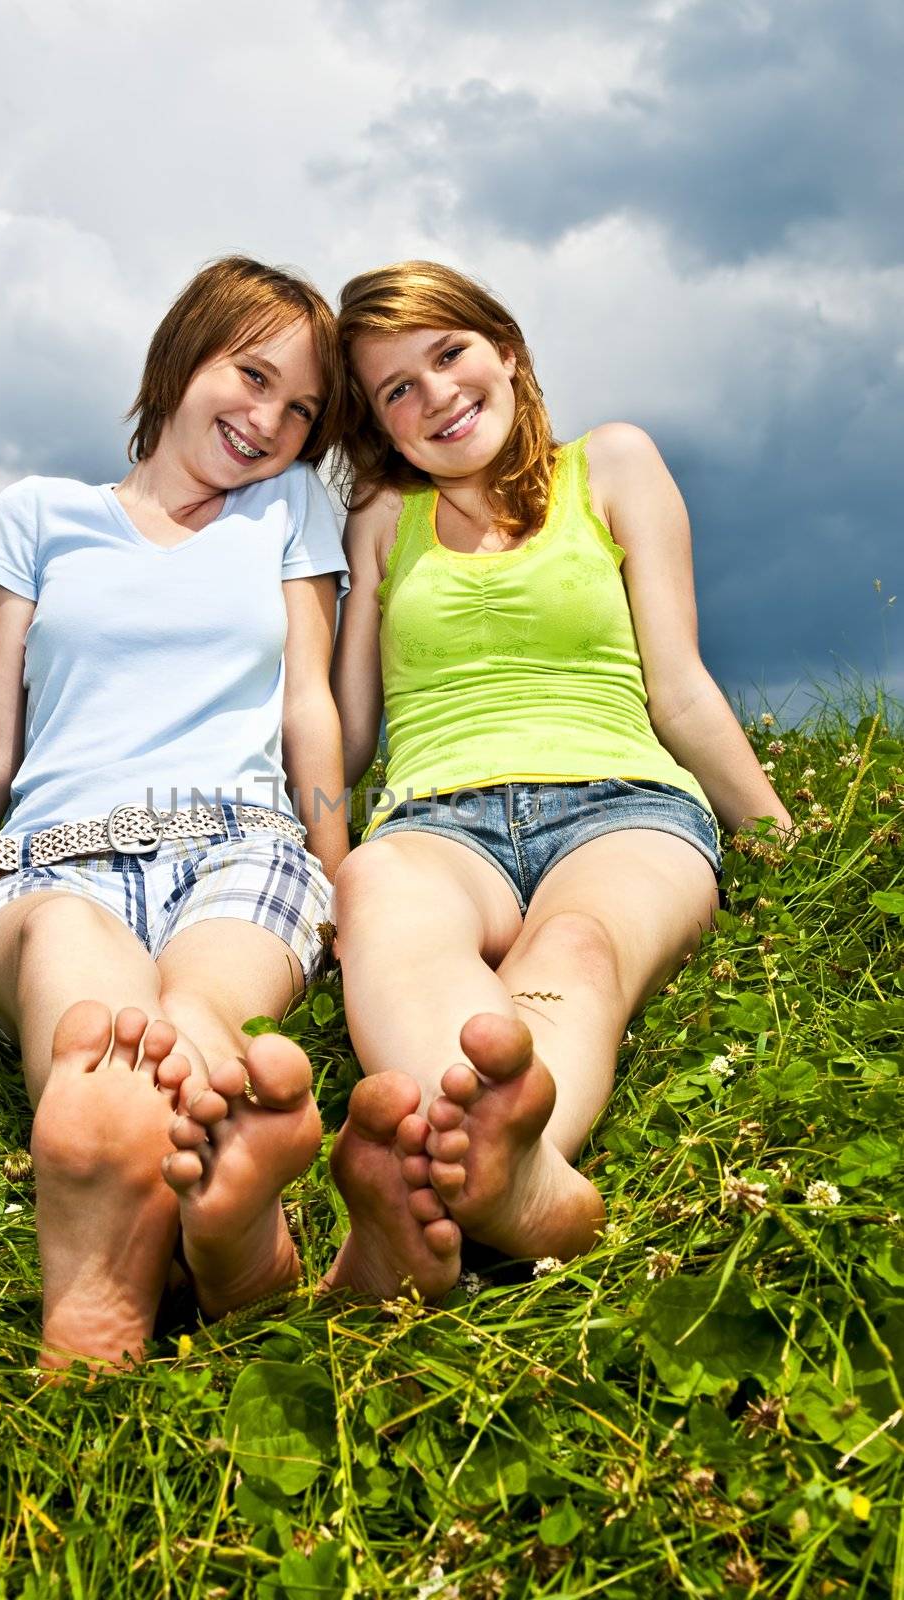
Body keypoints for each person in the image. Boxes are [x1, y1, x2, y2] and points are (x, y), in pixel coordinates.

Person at [0, 257, 362, 1369]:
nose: (268, 421)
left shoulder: (289, 512)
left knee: (201, 1001)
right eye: (250, 377)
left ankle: (179, 1221)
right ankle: (187, 1228)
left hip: (242, 845)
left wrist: (340, 877)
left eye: (300, 408)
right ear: (180, 358)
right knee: (86, 994)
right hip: (61, 858)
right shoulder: (37, 518)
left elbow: (310, 705)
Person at [323, 261, 793, 1300]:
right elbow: (346, 730)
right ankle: (488, 1164)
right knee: (380, 897)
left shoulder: (612, 464)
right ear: (379, 428)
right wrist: (297, 828)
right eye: (397, 388)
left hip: (622, 804)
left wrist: (777, 838)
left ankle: (514, 1155)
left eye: (449, 354)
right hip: (437, 821)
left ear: (507, 351)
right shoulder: (378, 520)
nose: (435, 393)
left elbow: (678, 685)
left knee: (575, 943)